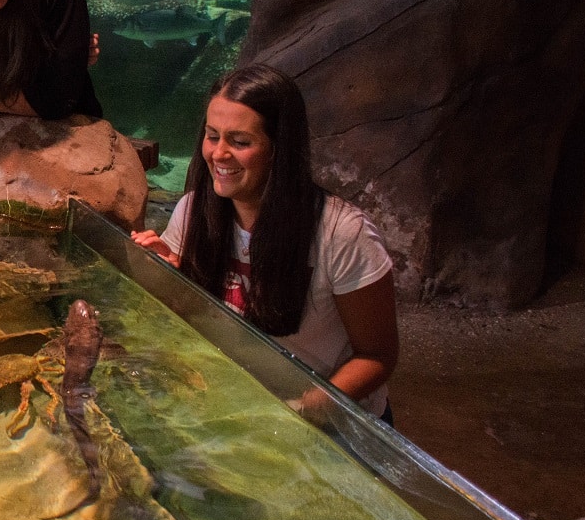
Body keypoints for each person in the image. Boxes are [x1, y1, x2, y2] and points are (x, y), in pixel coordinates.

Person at [130, 64, 400, 422]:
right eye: (212, 136)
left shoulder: (341, 233)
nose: (219, 154)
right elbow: (194, 320)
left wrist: (307, 410)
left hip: (328, 422)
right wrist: (168, 275)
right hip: (241, 403)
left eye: (240, 142)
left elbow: (377, 355)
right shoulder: (193, 211)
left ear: (278, 148)